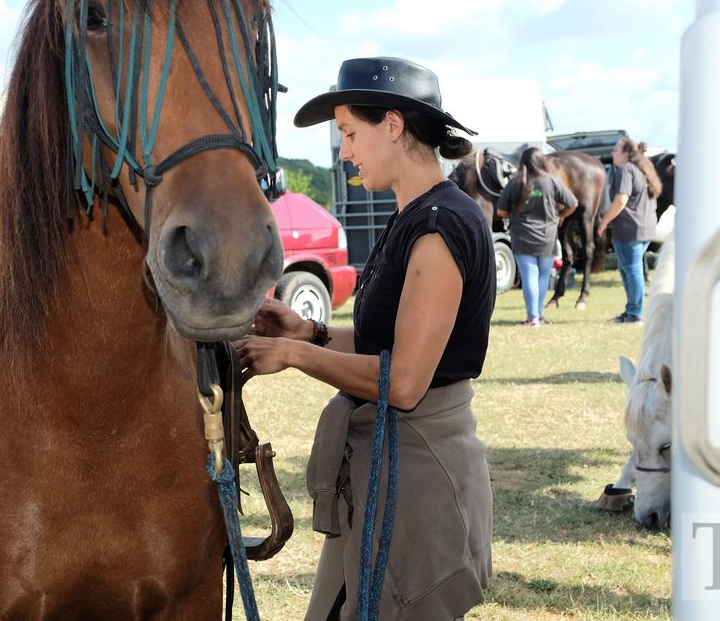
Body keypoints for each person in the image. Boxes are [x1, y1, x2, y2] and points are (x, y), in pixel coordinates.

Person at [236, 57, 495, 621]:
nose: (345, 150)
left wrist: (296, 354)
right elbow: (384, 341)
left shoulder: (440, 226)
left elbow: (402, 382)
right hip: (388, 475)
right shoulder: (413, 217)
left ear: (395, 126)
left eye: (351, 134)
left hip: (417, 482)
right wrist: (312, 331)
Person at [496, 147, 577, 327]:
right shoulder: (552, 181)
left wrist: (515, 215)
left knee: (529, 276)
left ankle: (532, 317)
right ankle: (538, 316)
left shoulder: (516, 182)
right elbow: (573, 203)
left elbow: (501, 211)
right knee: (543, 276)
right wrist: (560, 214)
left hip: (522, 236)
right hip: (547, 236)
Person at [597, 137, 660, 323]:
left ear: (625, 153)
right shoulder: (643, 167)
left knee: (632, 269)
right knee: (630, 268)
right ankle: (632, 310)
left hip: (629, 228)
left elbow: (621, 200)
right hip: (645, 227)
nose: (612, 153)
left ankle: (635, 313)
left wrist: (603, 223)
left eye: (616, 150)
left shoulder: (625, 169)